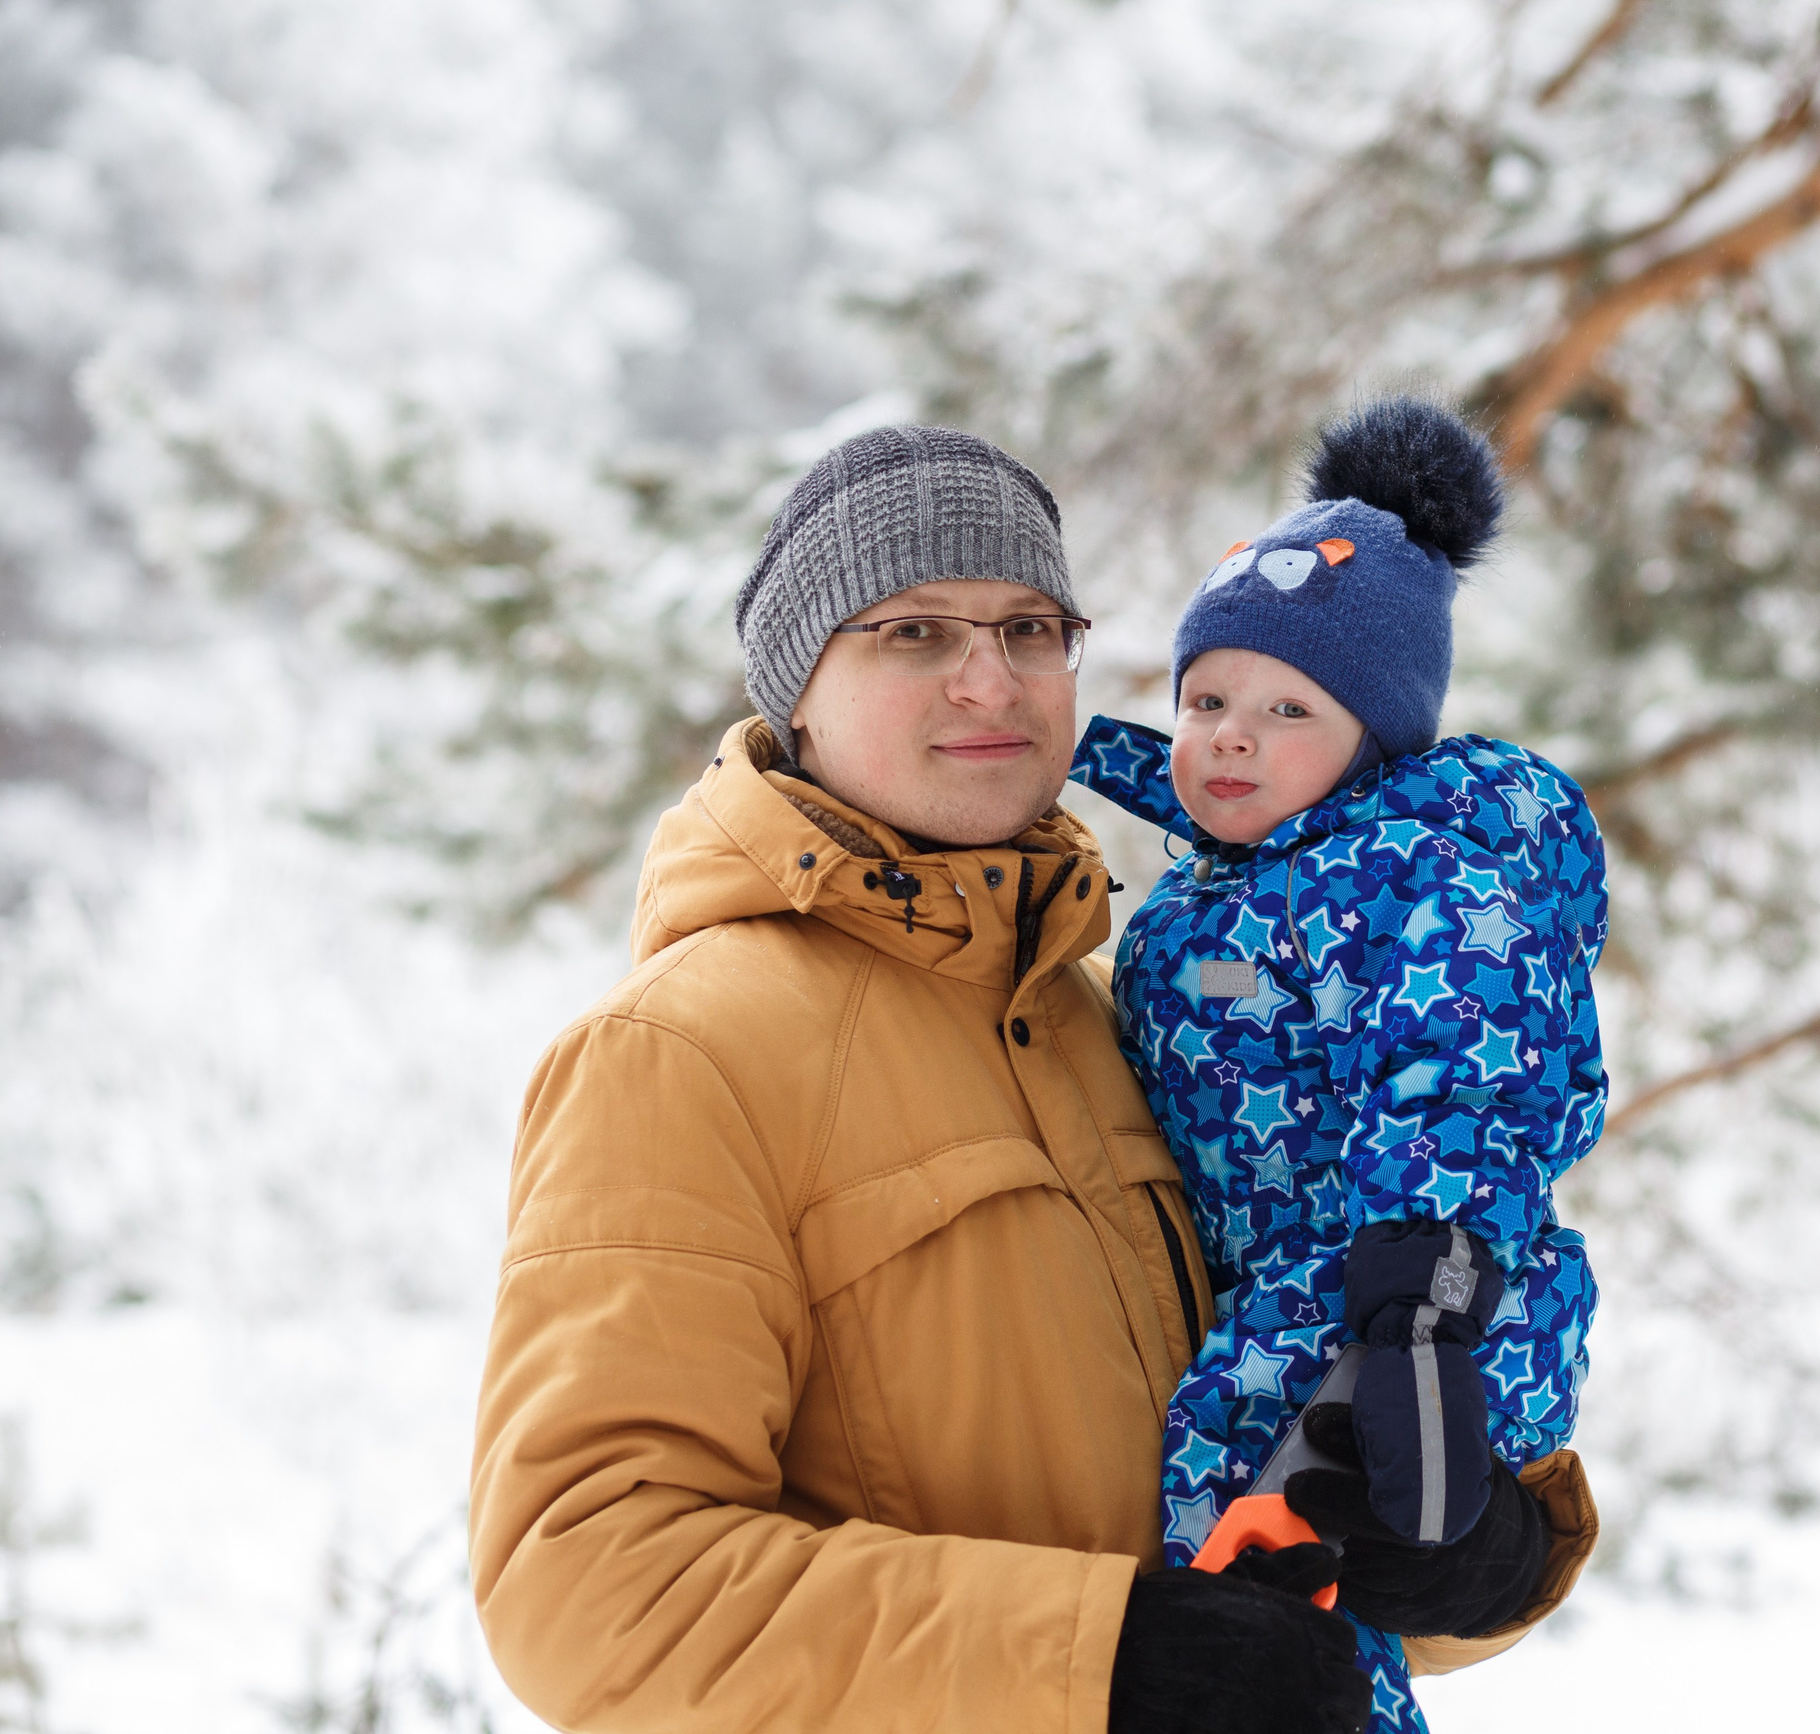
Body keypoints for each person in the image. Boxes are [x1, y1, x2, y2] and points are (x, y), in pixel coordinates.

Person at [467, 424, 1599, 1734]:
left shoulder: (1108, 1021)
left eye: (1029, 629)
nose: (989, 681)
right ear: (799, 688)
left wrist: (1472, 1551)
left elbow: (1271, 1450)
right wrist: (1099, 1666)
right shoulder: (682, 1052)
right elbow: (587, 1585)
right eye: (914, 632)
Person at [1067, 400, 1608, 1734]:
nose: (1229, 733)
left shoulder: (1410, 871)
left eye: (1285, 707)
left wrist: (1416, 1311)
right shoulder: (1235, 880)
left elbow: (1464, 1078)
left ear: (1377, 735)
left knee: (1257, 1567)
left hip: (1377, 1292)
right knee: (1270, 1594)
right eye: (1204, 698)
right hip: (1288, 1286)